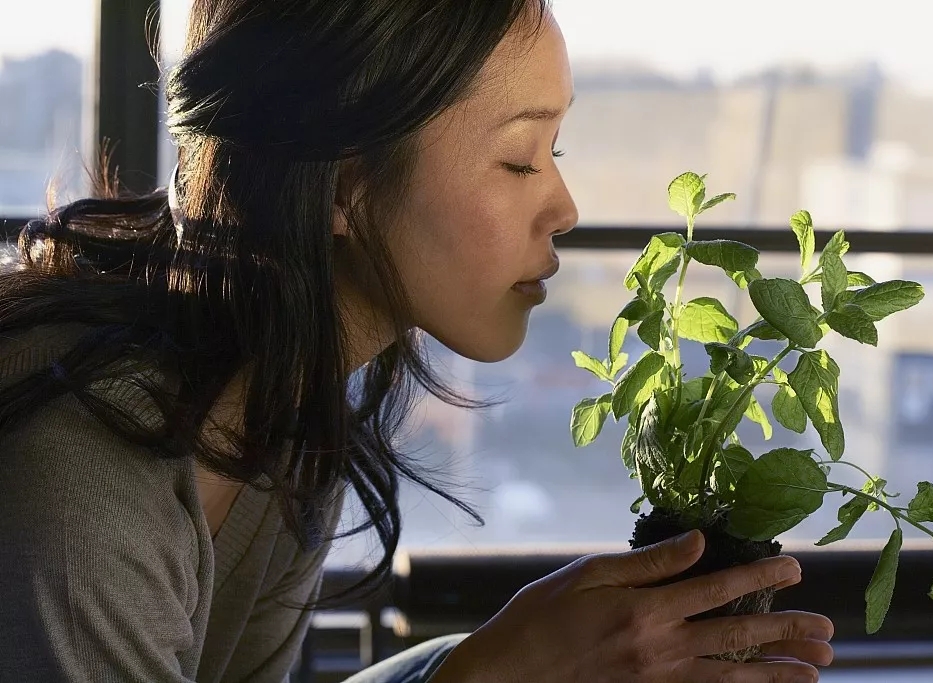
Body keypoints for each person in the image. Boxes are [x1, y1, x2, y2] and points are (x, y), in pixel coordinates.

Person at [0, 1, 835, 681]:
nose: (565, 208)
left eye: (558, 149)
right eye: (518, 161)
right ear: (345, 185)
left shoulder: (289, 407)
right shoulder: (86, 482)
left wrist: (526, 660)